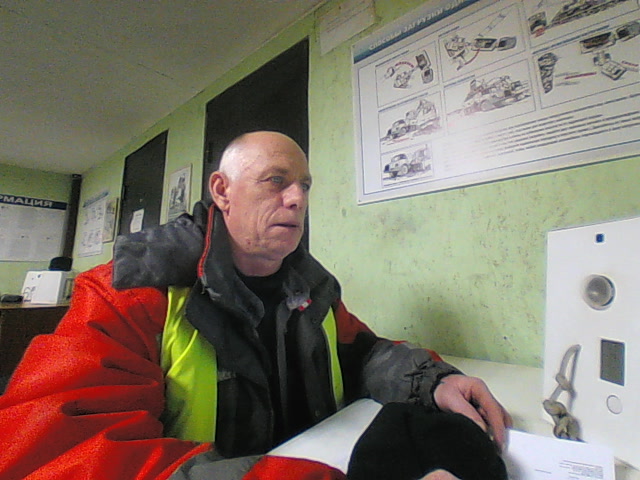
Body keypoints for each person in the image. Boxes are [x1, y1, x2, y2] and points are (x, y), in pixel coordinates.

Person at [0, 131, 511, 480]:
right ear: (222, 191)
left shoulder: (312, 287)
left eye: (304, 186)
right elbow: (60, 454)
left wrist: (431, 381)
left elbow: (363, 352)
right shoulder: (130, 291)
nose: (297, 199)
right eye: (276, 180)